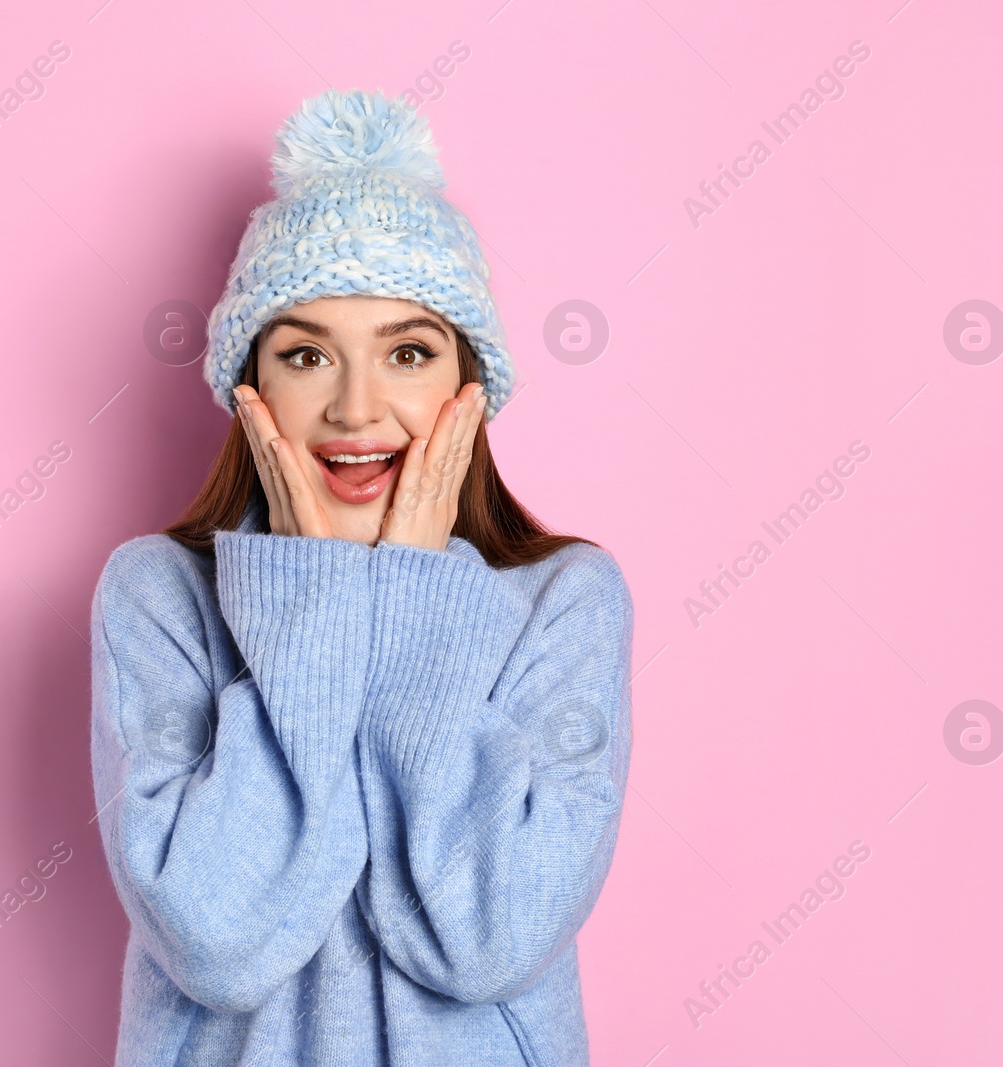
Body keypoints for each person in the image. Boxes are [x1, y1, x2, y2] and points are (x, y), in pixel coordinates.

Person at [89, 87, 635, 1066]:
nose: (354, 406)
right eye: (306, 355)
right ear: (252, 390)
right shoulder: (157, 593)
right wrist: (313, 600)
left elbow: (490, 938)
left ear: (467, 387)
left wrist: (413, 602)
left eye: (408, 352)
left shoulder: (566, 599)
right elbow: (216, 939)